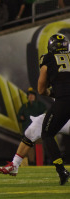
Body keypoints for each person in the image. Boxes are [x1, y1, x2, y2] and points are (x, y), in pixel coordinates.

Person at [37, 33, 70, 185]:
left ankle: (61, 170)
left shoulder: (48, 58)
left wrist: (51, 92)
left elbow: (41, 88)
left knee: (47, 133)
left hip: (64, 101)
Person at [0, 113, 70, 176]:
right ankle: (15, 164)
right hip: (61, 116)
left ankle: (61, 170)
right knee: (34, 127)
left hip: (64, 115)